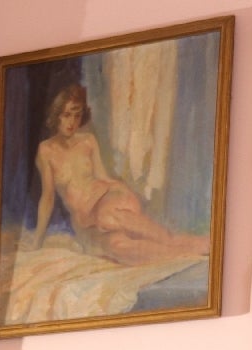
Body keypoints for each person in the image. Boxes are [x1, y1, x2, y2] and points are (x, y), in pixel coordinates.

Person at [31, 85, 209, 270]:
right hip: (86, 222)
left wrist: (120, 189)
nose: (72, 122)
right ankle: (187, 253)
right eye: (67, 115)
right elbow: (48, 198)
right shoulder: (46, 151)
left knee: (106, 217)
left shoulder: (88, 141)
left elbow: (102, 177)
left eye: (77, 116)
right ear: (56, 115)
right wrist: (37, 241)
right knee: (119, 246)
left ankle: (179, 240)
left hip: (108, 200)